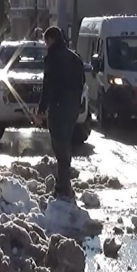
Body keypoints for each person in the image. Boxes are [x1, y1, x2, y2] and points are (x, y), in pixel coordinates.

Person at [37, 26, 85, 201]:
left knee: (60, 145)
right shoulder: (75, 59)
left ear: (51, 39)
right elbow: (81, 84)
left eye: (46, 41)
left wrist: (41, 109)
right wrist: (77, 104)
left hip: (58, 107)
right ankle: (64, 183)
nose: (45, 45)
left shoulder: (52, 58)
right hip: (71, 108)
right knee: (65, 142)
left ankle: (63, 186)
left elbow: (48, 85)